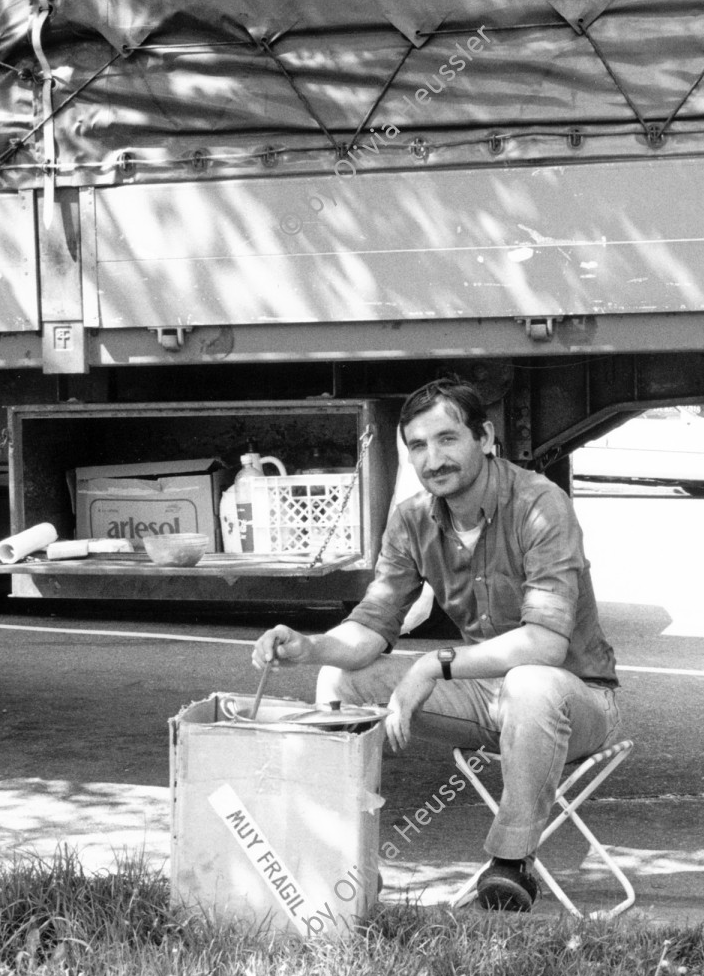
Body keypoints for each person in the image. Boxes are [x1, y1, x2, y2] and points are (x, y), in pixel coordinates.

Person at [251, 378, 621, 911]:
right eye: (418, 446)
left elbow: (545, 644)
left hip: (577, 700)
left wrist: (432, 664)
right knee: (341, 679)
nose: (433, 459)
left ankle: (511, 864)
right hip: (487, 698)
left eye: (447, 439)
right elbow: (371, 628)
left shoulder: (541, 504)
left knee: (531, 682)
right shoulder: (411, 519)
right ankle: (342, 858)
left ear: (485, 437)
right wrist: (309, 647)